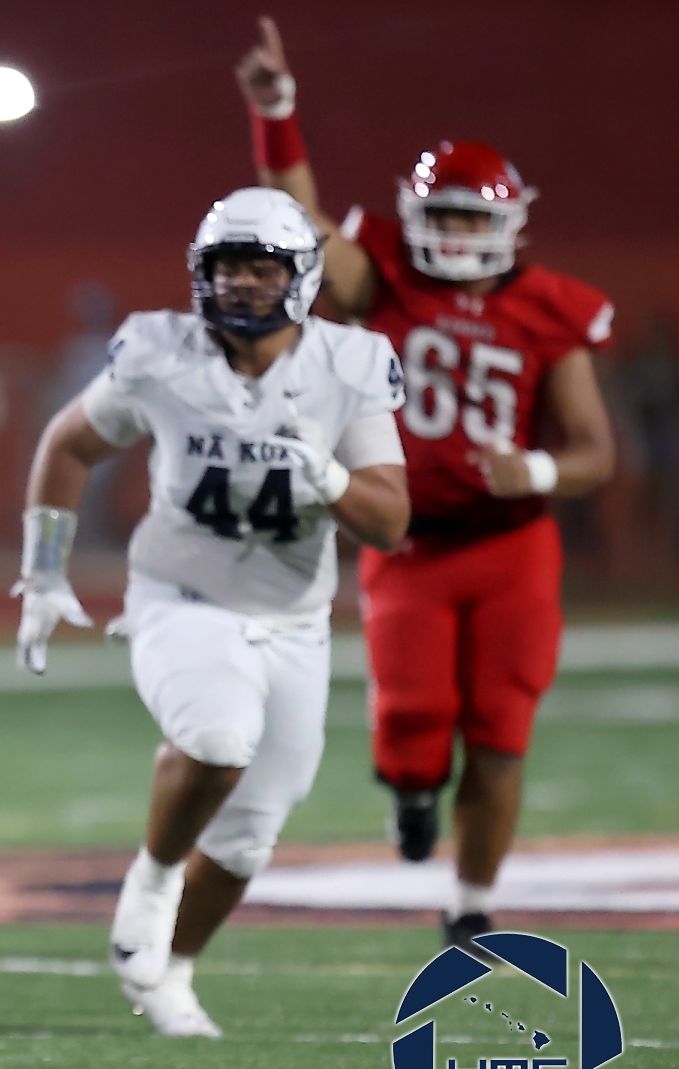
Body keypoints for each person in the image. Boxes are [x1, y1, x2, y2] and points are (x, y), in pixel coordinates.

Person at [235, 18, 616, 952]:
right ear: (413, 216)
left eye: (471, 218)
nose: (454, 233)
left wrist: (535, 467)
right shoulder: (388, 280)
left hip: (512, 543)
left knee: (502, 727)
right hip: (406, 538)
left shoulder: (550, 309)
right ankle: (411, 792)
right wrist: (278, 114)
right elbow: (297, 221)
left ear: (509, 224)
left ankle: (472, 899)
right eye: (441, 215)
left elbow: (595, 450)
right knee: (413, 726)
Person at [15, 189, 410, 1036]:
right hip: (180, 596)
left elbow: (390, 521)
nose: (241, 283)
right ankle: (153, 877)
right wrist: (43, 574)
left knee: (248, 838)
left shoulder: (349, 362)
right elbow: (69, 443)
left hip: (296, 619)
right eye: (227, 265)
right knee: (219, 737)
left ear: (303, 276)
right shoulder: (162, 352)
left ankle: (173, 973)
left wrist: (330, 478)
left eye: (262, 267)